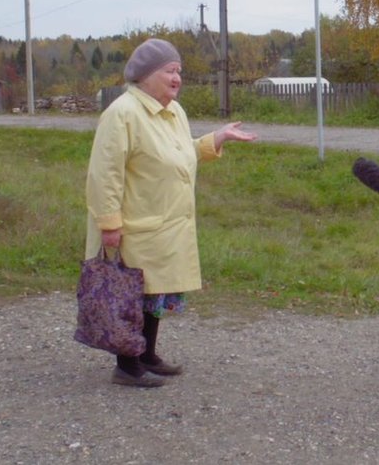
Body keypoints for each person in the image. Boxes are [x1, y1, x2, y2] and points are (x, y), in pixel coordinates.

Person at [84, 38, 257, 388]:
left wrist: (216, 139)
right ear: (147, 76)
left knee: (154, 291)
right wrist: (109, 223)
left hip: (163, 222)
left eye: (179, 71)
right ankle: (127, 364)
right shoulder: (122, 114)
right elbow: (105, 173)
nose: (177, 78)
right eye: (169, 71)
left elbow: (179, 153)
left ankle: (146, 354)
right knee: (129, 292)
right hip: (134, 222)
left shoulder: (173, 111)